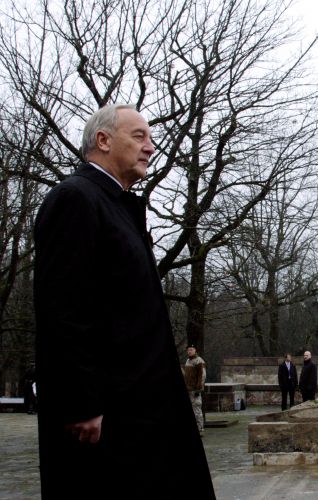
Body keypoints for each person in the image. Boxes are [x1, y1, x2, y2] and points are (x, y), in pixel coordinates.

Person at [33, 104, 215, 499]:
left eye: (150, 138)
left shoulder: (119, 206)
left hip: (142, 407)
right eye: (139, 136)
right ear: (103, 140)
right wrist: (81, 402)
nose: (150, 146)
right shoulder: (75, 199)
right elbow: (63, 309)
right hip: (110, 416)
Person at [183, 344, 207, 435]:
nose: (189, 351)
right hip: (188, 389)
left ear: (195, 350)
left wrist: (199, 389)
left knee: (197, 409)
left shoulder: (199, 361)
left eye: (191, 349)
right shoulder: (187, 361)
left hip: (195, 389)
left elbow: (202, 376)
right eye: (188, 350)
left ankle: (200, 428)